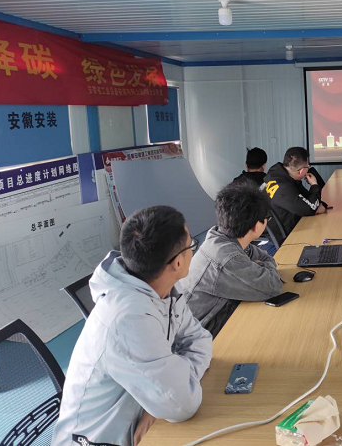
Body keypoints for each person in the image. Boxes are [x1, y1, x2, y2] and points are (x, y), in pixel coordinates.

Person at [52, 206, 212, 446]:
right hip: (100, 439)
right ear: (178, 263)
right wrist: (170, 394)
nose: (193, 250)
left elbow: (199, 340)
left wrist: (160, 402)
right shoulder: (128, 319)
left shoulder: (162, 289)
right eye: (192, 246)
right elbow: (183, 405)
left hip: (139, 411)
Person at [181, 184, 282, 337]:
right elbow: (272, 286)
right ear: (257, 226)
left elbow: (267, 258)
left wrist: (260, 266)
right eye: (266, 218)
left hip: (212, 316)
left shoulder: (222, 236)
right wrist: (261, 267)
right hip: (199, 335)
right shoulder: (227, 257)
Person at [263, 147, 327, 236]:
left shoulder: (278, 173)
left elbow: (306, 199)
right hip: (282, 235)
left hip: (285, 223)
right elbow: (310, 209)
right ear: (301, 171)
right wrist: (314, 185)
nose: (308, 169)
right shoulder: (284, 188)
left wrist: (315, 205)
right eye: (308, 166)